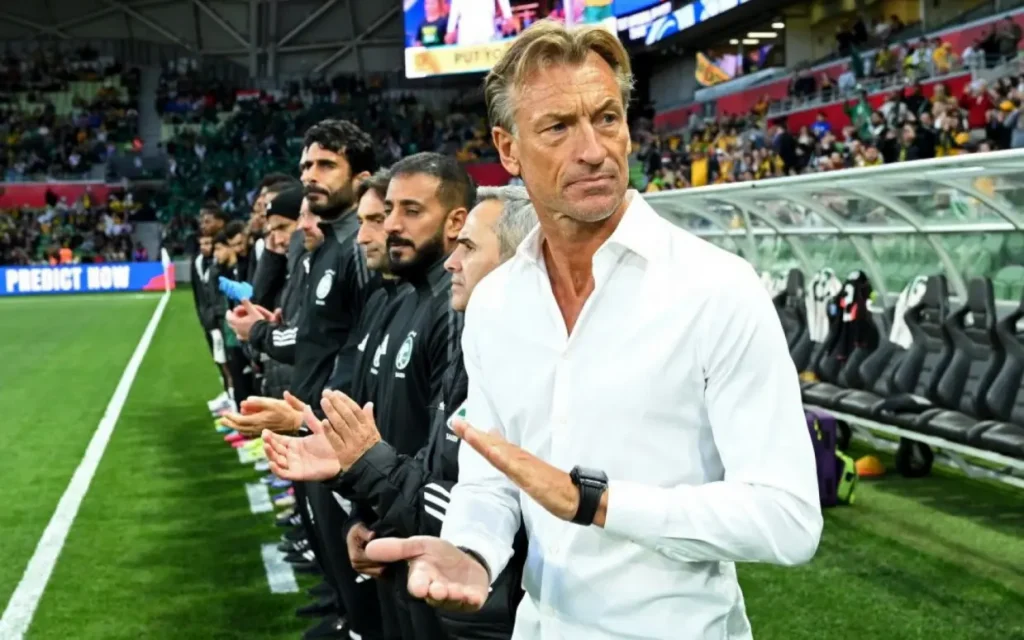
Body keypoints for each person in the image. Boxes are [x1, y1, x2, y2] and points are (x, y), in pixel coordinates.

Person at [364, 20, 823, 640]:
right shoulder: (495, 303)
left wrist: (597, 502)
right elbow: (491, 480)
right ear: (508, 149)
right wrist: (473, 550)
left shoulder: (717, 288)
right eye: (558, 127)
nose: (593, 149)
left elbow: (788, 517)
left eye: (606, 118)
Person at [263, 185, 538, 640]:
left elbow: (492, 508)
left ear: (520, 261)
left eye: (469, 247)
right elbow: (433, 467)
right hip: (429, 573)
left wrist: (366, 470)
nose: (452, 261)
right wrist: (359, 489)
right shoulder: (452, 329)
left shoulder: (521, 363)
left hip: (483, 606)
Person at [446, 0, 513, 46]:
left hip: (486, 25)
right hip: (466, 29)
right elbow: (455, 5)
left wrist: (508, 16)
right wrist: (450, 29)